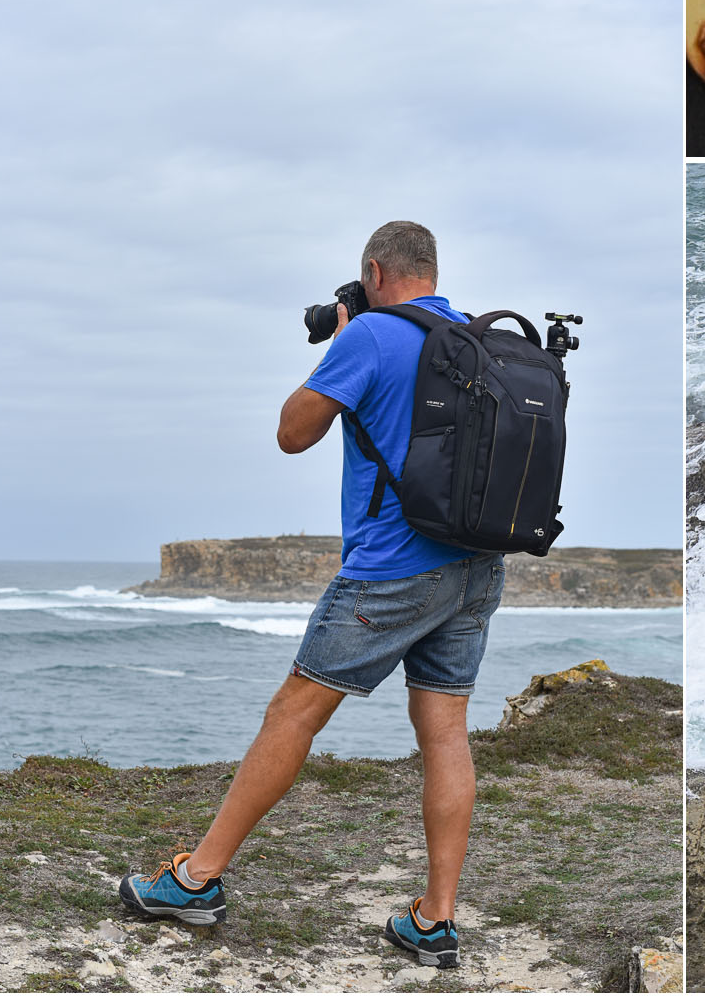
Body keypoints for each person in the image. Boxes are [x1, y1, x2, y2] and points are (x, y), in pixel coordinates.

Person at [119, 220, 501, 971]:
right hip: (476, 568)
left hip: (391, 570)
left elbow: (293, 432)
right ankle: (435, 922)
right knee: (446, 733)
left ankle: (195, 881)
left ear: (374, 271)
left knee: (292, 712)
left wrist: (347, 338)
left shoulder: (373, 336)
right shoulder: (473, 335)